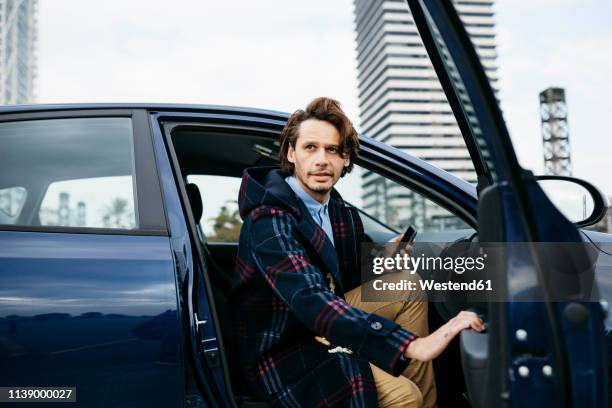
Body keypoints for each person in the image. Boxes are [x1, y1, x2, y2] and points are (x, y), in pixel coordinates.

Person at [229, 97, 484, 407]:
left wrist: (381, 261)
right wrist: (413, 345)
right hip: (285, 343)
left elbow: (343, 275)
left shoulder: (339, 212)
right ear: (290, 153)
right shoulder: (268, 218)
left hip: (323, 320)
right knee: (403, 396)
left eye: (332, 150)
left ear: (345, 159)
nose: (322, 159)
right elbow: (310, 297)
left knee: (405, 283)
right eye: (311, 148)